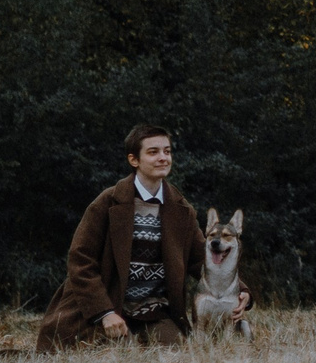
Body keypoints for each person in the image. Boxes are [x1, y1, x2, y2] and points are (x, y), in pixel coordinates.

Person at [35, 124, 249, 351]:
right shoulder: (107, 202)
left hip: (154, 311)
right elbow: (80, 261)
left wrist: (242, 291)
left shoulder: (181, 210)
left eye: (167, 151)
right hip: (109, 307)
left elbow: (201, 259)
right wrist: (104, 312)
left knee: (176, 352)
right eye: (153, 152)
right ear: (134, 160)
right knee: (105, 354)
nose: (163, 158)